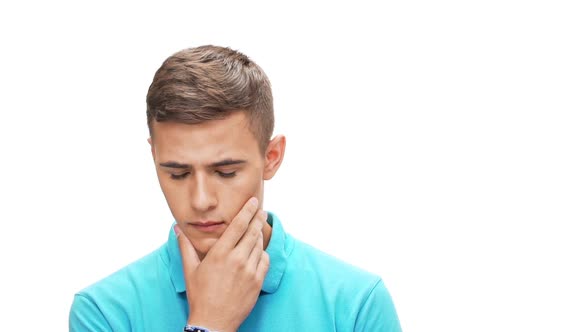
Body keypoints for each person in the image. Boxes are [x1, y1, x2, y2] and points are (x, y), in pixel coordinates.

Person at [69, 45, 402, 332]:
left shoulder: (357, 303)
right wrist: (208, 324)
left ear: (271, 157)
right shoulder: (104, 312)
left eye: (225, 172)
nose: (200, 201)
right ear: (154, 157)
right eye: (178, 173)